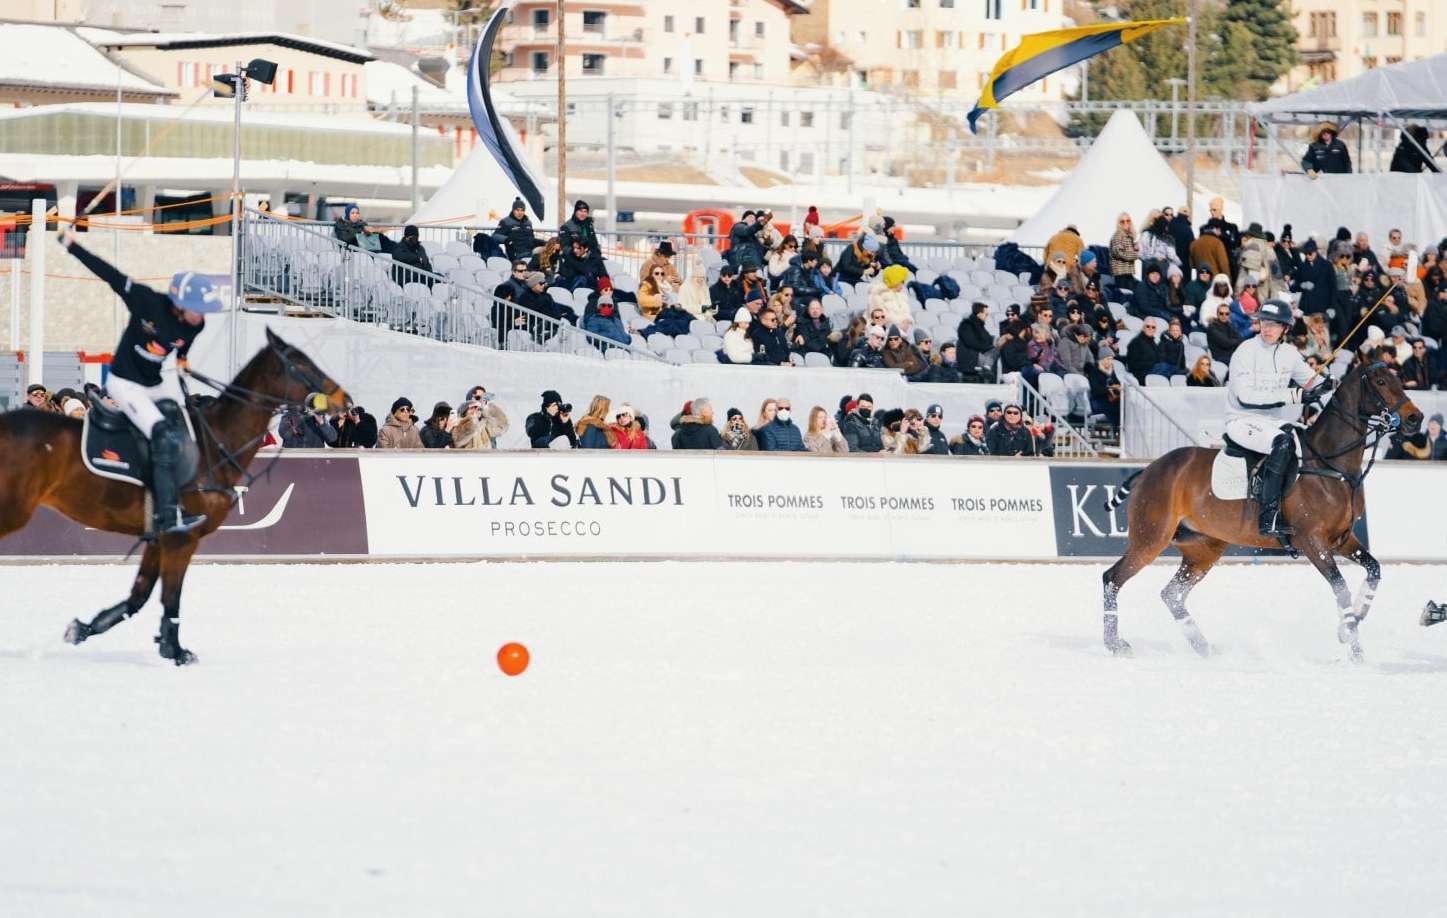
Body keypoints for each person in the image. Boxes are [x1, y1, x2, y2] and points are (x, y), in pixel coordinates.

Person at [60, 230, 222, 534]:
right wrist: (72, 246)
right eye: (197, 310)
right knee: (162, 434)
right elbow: (109, 274)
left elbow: (183, 343)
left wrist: (183, 361)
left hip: (154, 383)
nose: (201, 317)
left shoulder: (196, 325)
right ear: (179, 304)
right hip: (124, 383)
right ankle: (166, 515)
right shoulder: (147, 302)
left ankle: (182, 490)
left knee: (183, 424)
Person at [1224, 299, 1329, 539]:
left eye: (1274, 324)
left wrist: (1329, 383)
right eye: (1264, 322)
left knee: (1306, 441)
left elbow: (1311, 381)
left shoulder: (1289, 353)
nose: (1267, 328)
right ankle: (1268, 517)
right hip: (1241, 419)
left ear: (1285, 328)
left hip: (1272, 423)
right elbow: (1245, 397)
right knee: (1282, 443)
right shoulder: (1245, 351)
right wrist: (1295, 395)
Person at [494, 197, 542, 262]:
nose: (520, 213)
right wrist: (507, 239)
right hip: (516, 255)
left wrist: (545, 242)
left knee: (548, 248)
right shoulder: (506, 221)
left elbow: (532, 239)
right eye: (517, 210)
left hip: (530, 252)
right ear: (513, 210)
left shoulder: (528, 222)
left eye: (522, 210)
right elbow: (495, 236)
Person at [1086, 347, 1122, 427]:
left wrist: (1118, 387)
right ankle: (1115, 428)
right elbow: (1096, 390)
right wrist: (1110, 388)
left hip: (1111, 399)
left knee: (1123, 404)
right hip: (1098, 401)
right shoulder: (1094, 371)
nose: (1110, 361)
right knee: (1117, 407)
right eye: (1108, 359)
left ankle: (1118, 428)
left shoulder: (1111, 370)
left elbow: (1117, 383)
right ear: (1102, 359)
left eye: (1111, 359)